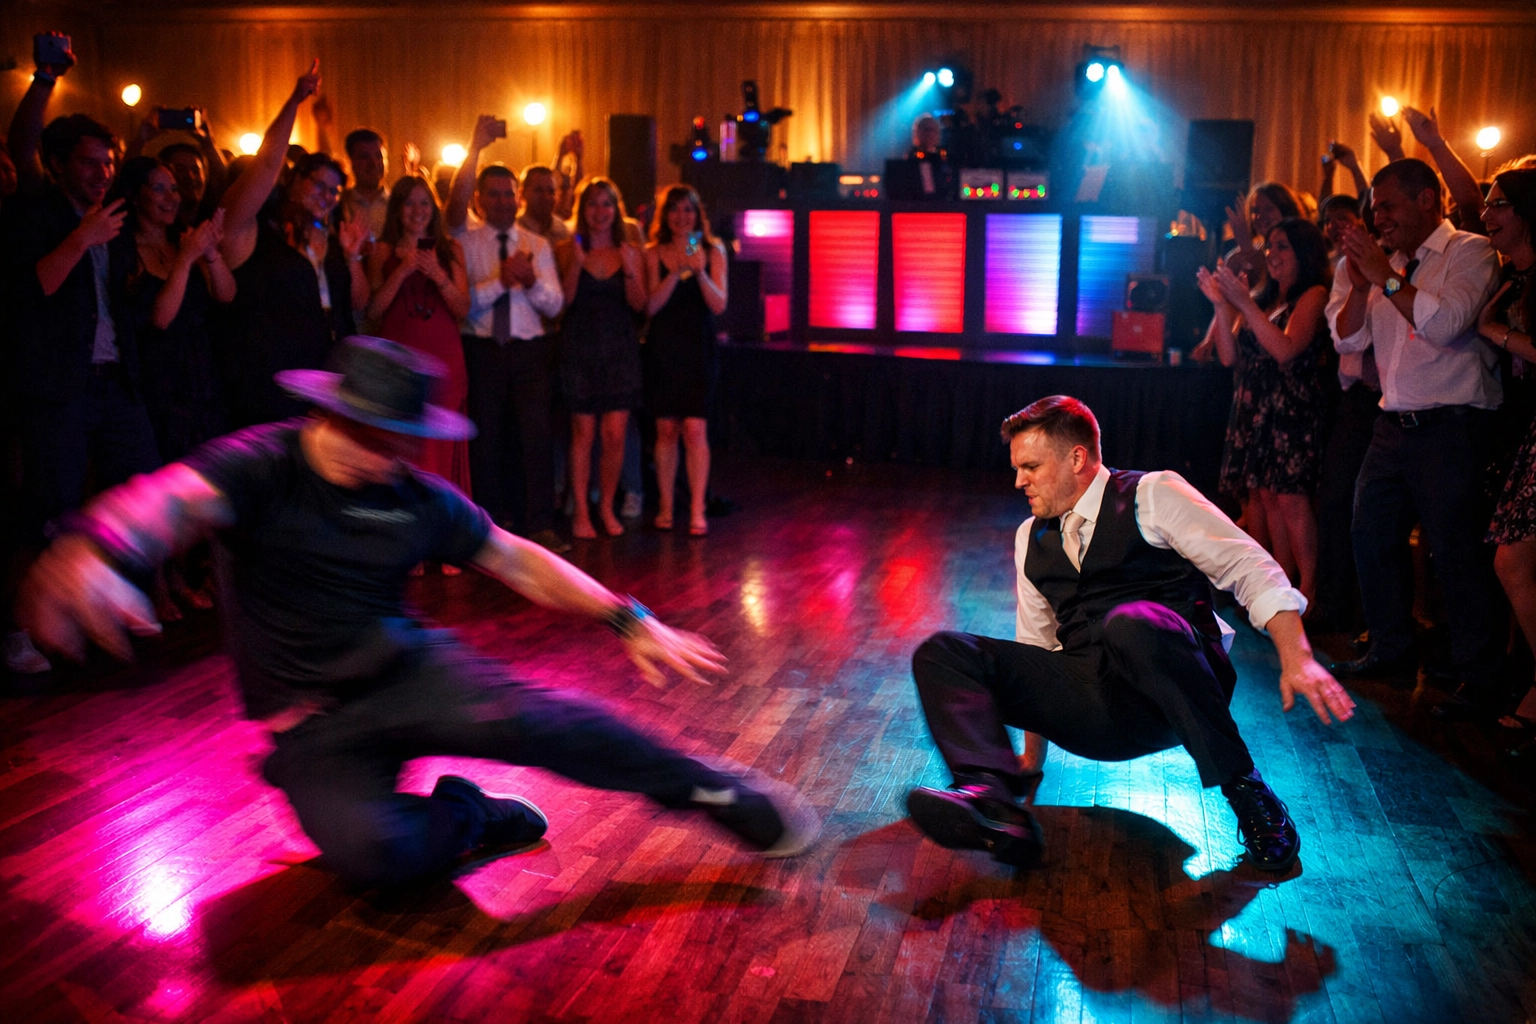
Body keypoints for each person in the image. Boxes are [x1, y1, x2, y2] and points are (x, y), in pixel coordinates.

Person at [19, 336, 819, 888]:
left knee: (552, 723)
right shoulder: (261, 465)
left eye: (396, 440)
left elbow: (513, 557)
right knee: (374, 859)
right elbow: (171, 500)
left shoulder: (412, 495)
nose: (378, 455)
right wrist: (96, 547)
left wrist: (627, 617)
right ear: (323, 412)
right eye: (363, 433)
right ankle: (470, 815)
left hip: (409, 673)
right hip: (313, 727)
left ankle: (715, 794)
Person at [904, 396, 1354, 871]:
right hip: (1095, 703)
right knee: (943, 653)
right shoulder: (1029, 538)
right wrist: (1030, 763)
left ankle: (1248, 792)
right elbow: (1036, 649)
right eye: (1017, 468)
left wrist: (1297, 655)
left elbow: (1249, 566)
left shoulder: (1152, 494)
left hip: (1174, 689)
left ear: (1077, 458)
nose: (1019, 481)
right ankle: (995, 806)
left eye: (1031, 466)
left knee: (1131, 624)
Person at [1, 48, 163, 673]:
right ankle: (19, 631)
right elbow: (36, 285)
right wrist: (80, 239)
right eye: (90, 163)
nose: (102, 173)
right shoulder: (35, 213)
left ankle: (103, 614)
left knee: (138, 493)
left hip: (113, 381)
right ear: (60, 165)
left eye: (108, 163)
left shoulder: (110, 214)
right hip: (58, 388)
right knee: (47, 508)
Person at [1328, 159, 1503, 710]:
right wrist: (1361, 286)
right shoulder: (1381, 264)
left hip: (1451, 426)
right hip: (1391, 422)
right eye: (1375, 207)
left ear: (1427, 199)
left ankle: (1477, 676)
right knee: (1369, 533)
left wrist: (1386, 276)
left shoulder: (1469, 252)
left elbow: (1448, 324)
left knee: (1454, 553)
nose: (1378, 217)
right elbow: (1347, 342)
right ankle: (1392, 650)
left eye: (1387, 205)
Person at [217, 61, 370, 427]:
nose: (328, 196)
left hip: (329, 386)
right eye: (319, 185)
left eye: (334, 191)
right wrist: (294, 102)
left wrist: (351, 258)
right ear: (294, 180)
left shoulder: (332, 238)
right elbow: (268, 163)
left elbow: (357, 306)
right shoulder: (253, 232)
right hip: (268, 390)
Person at [444, 116, 568, 553]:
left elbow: (555, 306)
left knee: (536, 439)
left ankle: (540, 526)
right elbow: (464, 304)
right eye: (492, 194)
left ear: (518, 199)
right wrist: (503, 280)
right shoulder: (464, 241)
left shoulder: (538, 245)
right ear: (479, 198)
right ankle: (489, 530)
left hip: (531, 352)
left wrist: (531, 282)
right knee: (487, 440)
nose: (501, 201)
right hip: (481, 350)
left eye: (507, 194)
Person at [1200, 219, 1332, 606]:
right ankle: (1280, 583)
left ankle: (1309, 589)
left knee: (1291, 500)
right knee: (1267, 498)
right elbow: (1229, 356)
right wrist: (1222, 306)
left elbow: (1286, 349)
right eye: (1270, 247)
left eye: (1282, 247)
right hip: (1258, 412)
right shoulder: (1266, 297)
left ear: (1304, 253)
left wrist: (1243, 303)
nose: (1271, 255)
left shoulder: (1313, 295)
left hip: (1292, 412)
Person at [365, 174, 472, 510]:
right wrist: (402, 271)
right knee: (403, 444)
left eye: (424, 202)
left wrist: (438, 275)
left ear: (434, 208)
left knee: (440, 442)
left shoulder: (449, 248)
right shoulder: (382, 250)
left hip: (443, 357)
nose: (417, 210)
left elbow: (462, 309)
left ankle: (446, 535)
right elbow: (373, 311)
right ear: (397, 210)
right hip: (398, 359)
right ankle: (406, 536)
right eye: (409, 202)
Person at [1476, 170, 1536, 741]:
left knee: (1511, 559)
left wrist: (1492, 330)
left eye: (1498, 205)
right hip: (1516, 431)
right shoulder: (1512, 278)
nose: (1485, 213)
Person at [558, 177, 647, 540]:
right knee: (583, 433)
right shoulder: (566, 249)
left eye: (606, 204)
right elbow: (561, 304)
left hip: (619, 350)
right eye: (593, 204)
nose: (600, 212)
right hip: (580, 348)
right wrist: (577, 265)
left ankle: (606, 506)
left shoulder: (631, 249)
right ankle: (581, 510)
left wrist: (627, 267)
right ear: (583, 210)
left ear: (616, 210)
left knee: (614, 434)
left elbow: (641, 304)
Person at [1312, 195, 1381, 631]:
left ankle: (1377, 623)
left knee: (1377, 515)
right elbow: (1347, 340)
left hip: (1407, 399)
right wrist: (1361, 283)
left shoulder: (1411, 266)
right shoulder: (1346, 269)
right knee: (1337, 502)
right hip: (1358, 398)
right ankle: (1337, 607)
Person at [643, 185, 728, 536]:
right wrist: (676, 273)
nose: (682, 216)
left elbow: (719, 305)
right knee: (666, 429)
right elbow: (648, 307)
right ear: (666, 215)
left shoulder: (711, 249)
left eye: (688, 210)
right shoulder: (653, 252)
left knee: (694, 428)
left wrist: (700, 271)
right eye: (675, 210)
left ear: (697, 214)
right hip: (664, 347)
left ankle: (696, 509)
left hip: (698, 347)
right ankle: (665, 507)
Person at [341, 127, 391, 243]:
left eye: (379, 156)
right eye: (365, 157)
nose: (374, 163)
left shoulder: (399, 205)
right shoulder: (340, 206)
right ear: (351, 162)